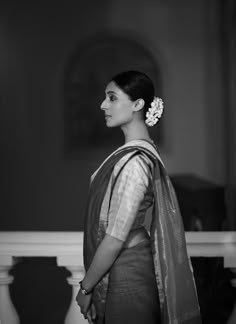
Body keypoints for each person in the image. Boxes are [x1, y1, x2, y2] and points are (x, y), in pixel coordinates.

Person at [76, 70, 202, 324]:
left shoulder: (134, 162)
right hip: (123, 268)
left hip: (127, 275)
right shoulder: (132, 154)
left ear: (137, 104)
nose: (103, 105)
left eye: (112, 98)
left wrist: (85, 288)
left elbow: (114, 237)